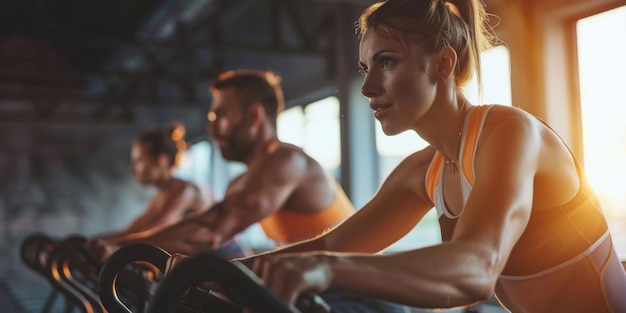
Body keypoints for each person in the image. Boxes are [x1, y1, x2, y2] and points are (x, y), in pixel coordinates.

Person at [223, 1, 626, 313]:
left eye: (386, 62)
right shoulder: (425, 170)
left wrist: (328, 269)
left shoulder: (510, 133)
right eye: (365, 67)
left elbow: (476, 268)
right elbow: (337, 243)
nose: (367, 87)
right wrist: (219, 274)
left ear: (444, 64)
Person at [92, 70, 356, 259]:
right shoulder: (244, 180)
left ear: (254, 116)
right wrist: (109, 244)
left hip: (356, 300)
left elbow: (209, 229)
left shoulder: (287, 162)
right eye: (211, 115)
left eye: (222, 114)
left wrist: (119, 248)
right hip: (316, 289)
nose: (212, 126)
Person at [89, 123, 250, 260]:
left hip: (230, 264)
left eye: (138, 160)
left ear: (161, 161)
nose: (133, 169)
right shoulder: (162, 197)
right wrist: (92, 242)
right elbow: (133, 230)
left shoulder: (184, 191)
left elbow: (152, 231)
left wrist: (112, 246)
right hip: (204, 266)